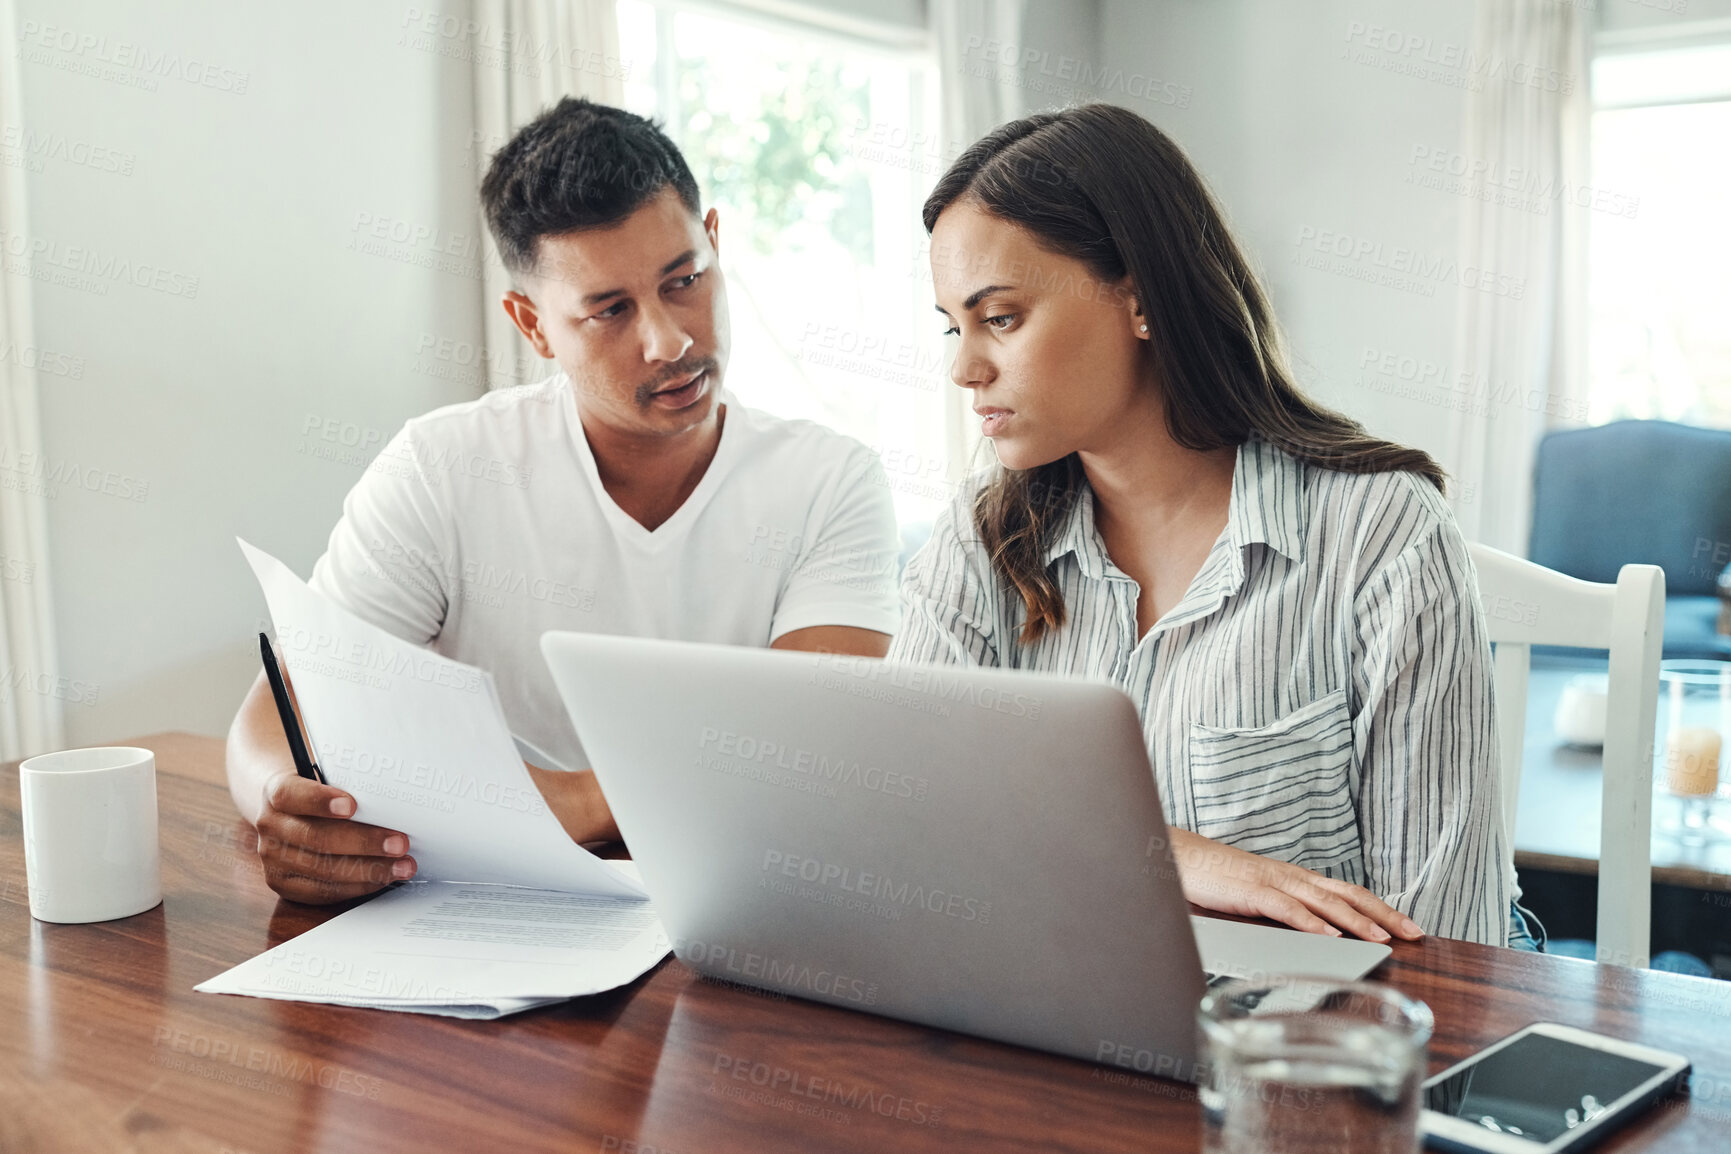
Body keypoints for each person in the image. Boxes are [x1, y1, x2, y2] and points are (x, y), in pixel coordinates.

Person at [227, 99, 899, 904]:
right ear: (533, 324)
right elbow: (279, 714)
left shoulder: (831, 481)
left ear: (715, 242)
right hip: (481, 903)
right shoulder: (442, 467)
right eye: (610, 310)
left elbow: (809, 751)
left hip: (740, 904)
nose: (669, 340)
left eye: (685, 280)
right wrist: (281, 804)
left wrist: (572, 801)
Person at [894, 103, 1514, 946]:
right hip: (1051, 1031)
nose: (965, 369)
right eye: (952, 327)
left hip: (1309, 1050)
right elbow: (909, 831)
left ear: (1140, 300)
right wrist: (1176, 857)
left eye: (999, 317)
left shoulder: (1381, 533)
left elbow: (1447, 945)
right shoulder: (978, 543)